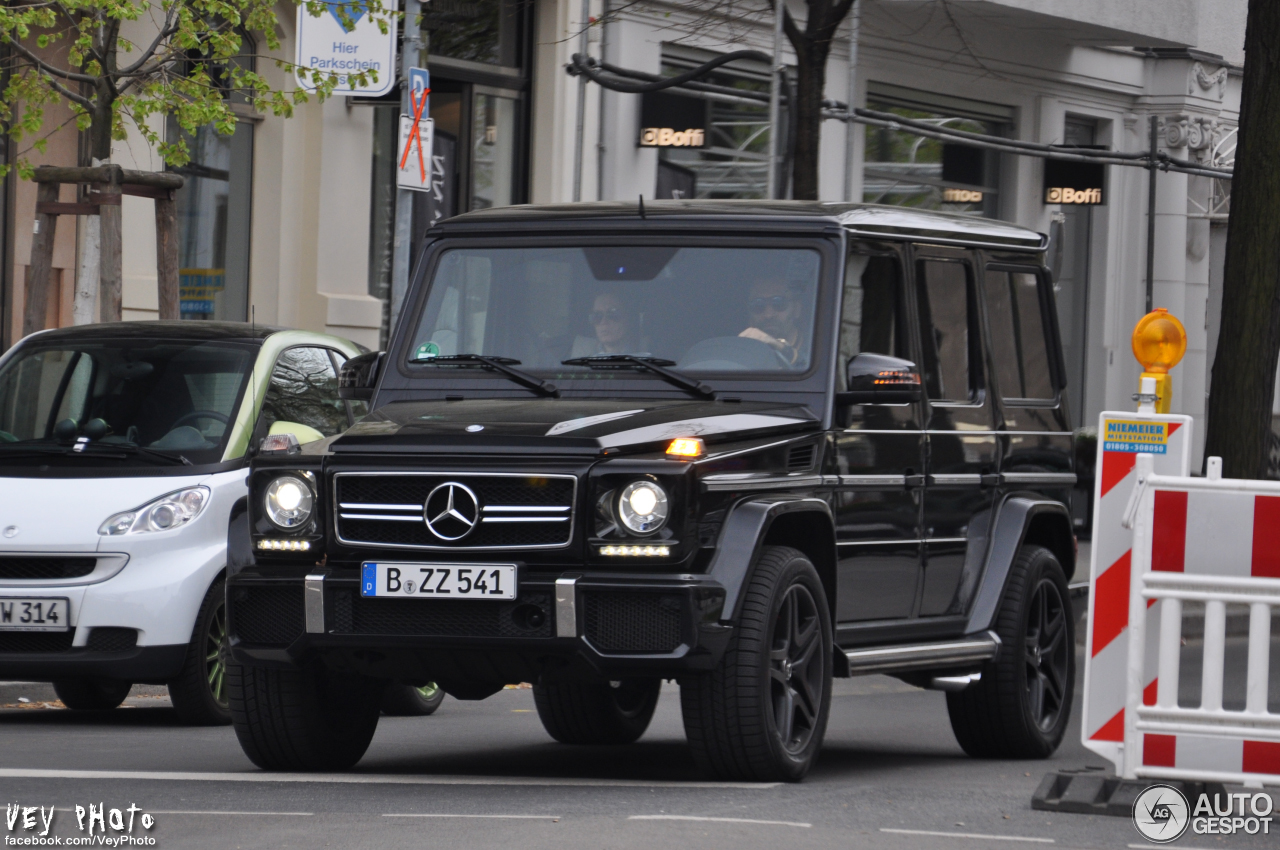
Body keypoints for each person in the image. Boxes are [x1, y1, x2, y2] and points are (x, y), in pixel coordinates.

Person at [740, 278, 806, 366]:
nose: (768, 315)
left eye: (779, 303)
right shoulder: (739, 351)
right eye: (758, 305)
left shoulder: (818, 347)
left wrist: (784, 351)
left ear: (796, 309)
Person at [570, 291, 641, 357]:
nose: (604, 322)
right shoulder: (581, 364)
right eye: (597, 316)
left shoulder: (645, 357)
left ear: (627, 317)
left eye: (612, 314)